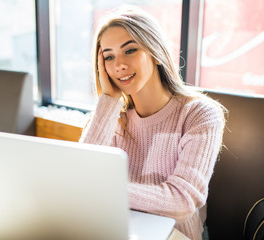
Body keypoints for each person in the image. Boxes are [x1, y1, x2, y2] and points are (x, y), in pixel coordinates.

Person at [79, 6, 226, 240]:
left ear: (155, 51)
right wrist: (108, 100)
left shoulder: (199, 114)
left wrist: (105, 192)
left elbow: (182, 201)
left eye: (130, 50)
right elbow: (79, 176)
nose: (119, 65)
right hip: (116, 230)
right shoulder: (110, 117)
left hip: (174, 235)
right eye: (109, 56)